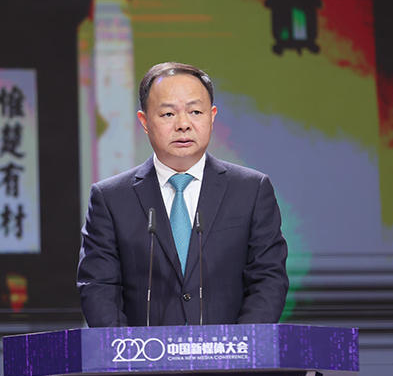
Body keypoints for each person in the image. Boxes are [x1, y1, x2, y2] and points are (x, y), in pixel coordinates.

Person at [77, 62, 289, 327]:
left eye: (195, 112)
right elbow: (98, 287)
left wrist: (241, 345)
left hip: (230, 352)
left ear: (212, 116)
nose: (183, 125)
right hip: (143, 352)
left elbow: (268, 280)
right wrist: (126, 348)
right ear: (144, 121)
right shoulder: (110, 198)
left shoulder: (251, 190)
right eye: (168, 114)